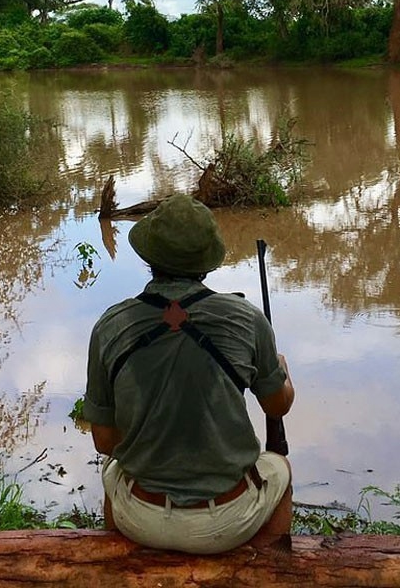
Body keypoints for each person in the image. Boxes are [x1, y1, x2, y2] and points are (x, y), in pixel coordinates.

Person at [75, 193, 295, 554]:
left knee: (113, 473)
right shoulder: (246, 319)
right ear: (207, 262)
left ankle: (119, 566)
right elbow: (277, 405)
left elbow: (104, 443)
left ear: (149, 258)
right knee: (280, 470)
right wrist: (282, 373)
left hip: (139, 517)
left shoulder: (110, 326)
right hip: (227, 520)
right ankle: (267, 572)